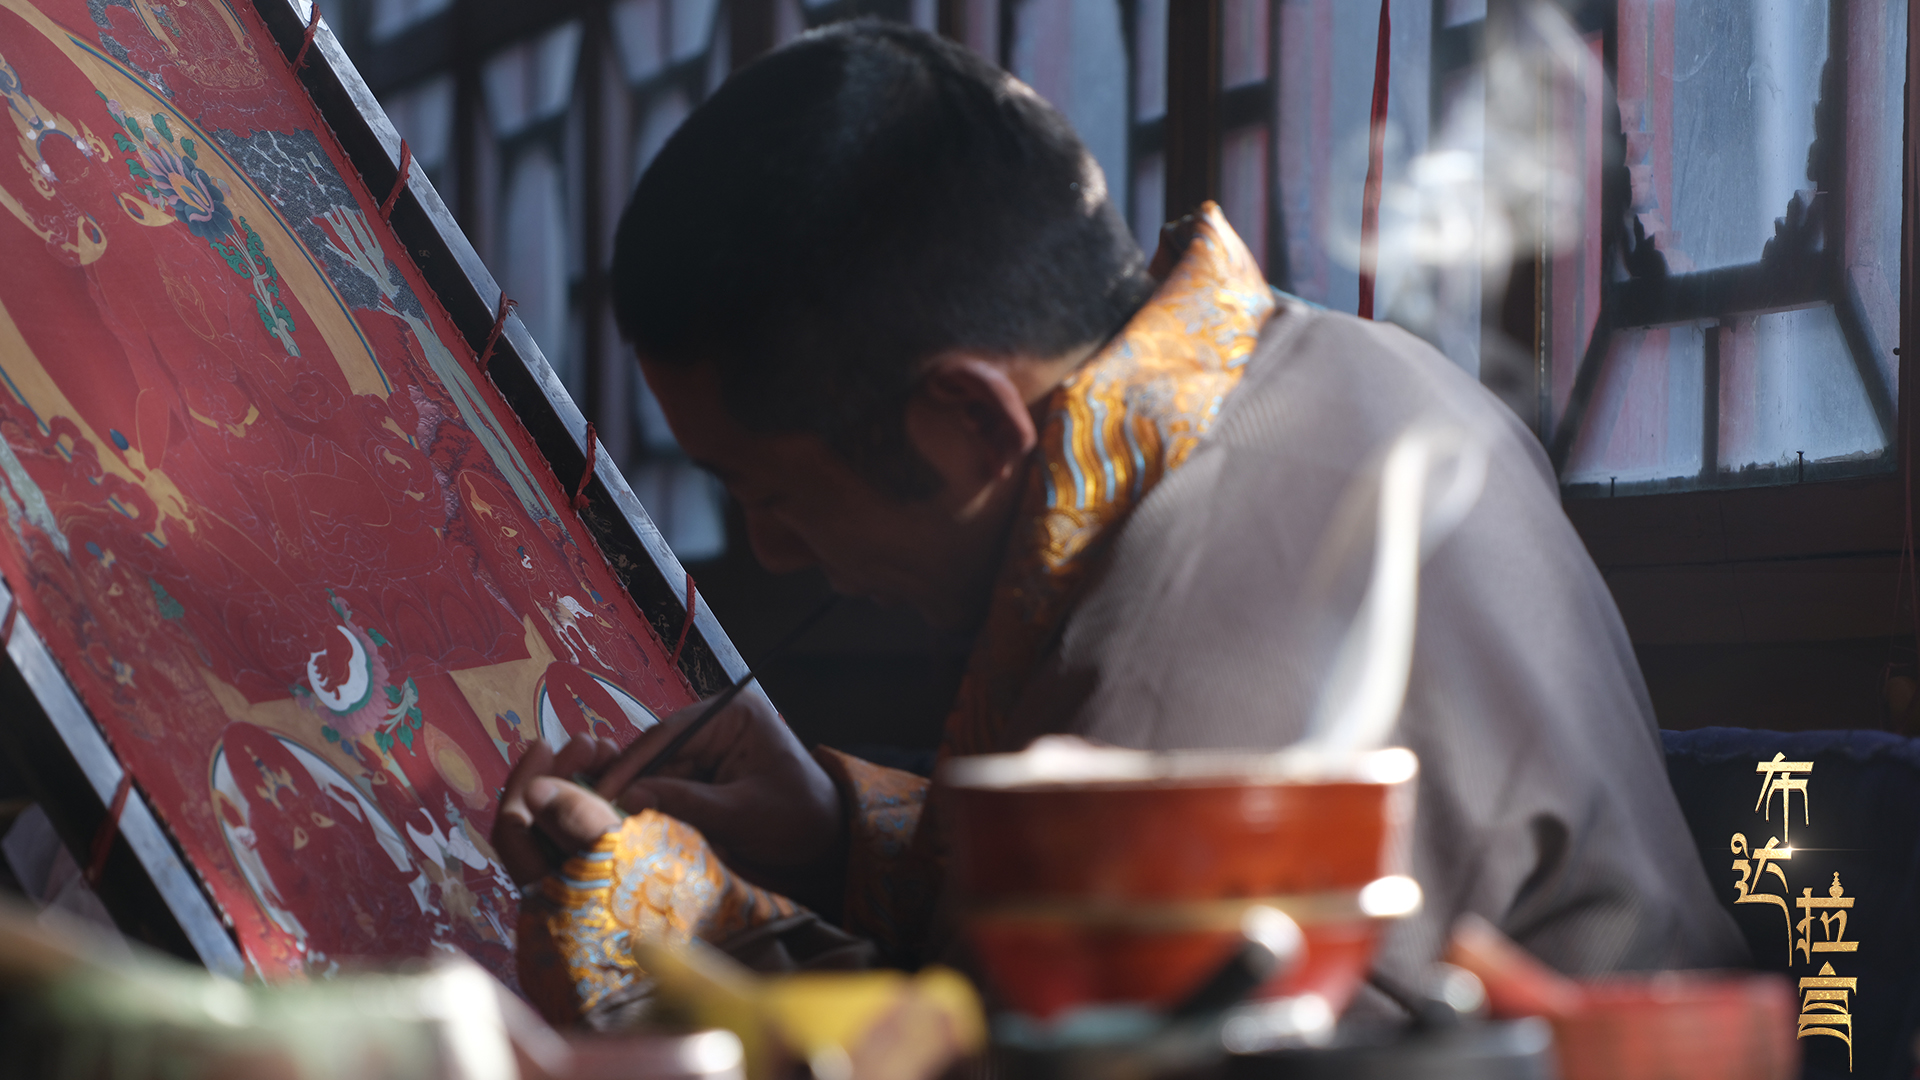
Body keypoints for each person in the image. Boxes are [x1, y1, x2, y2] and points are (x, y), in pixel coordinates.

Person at [491, 20, 1746, 1026]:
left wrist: (677, 939)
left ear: (968, 421)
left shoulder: (1171, 669)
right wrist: (833, 838)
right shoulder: (1354, 365)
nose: (769, 550)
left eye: (771, 492)